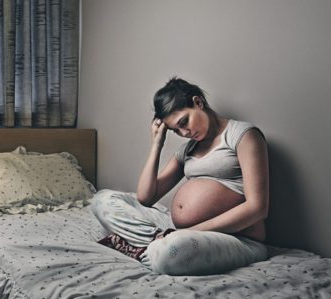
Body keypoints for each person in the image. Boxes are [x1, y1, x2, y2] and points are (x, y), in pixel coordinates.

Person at [91, 77, 269, 275]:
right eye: (176, 130)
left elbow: (257, 208)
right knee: (102, 200)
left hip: (235, 238)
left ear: (198, 102)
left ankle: (145, 247)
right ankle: (153, 247)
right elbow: (145, 197)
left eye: (184, 122)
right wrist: (157, 144)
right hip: (181, 232)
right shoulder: (189, 149)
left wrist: (186, 233)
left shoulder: (243, 135)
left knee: (171, 253)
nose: (184, 132)